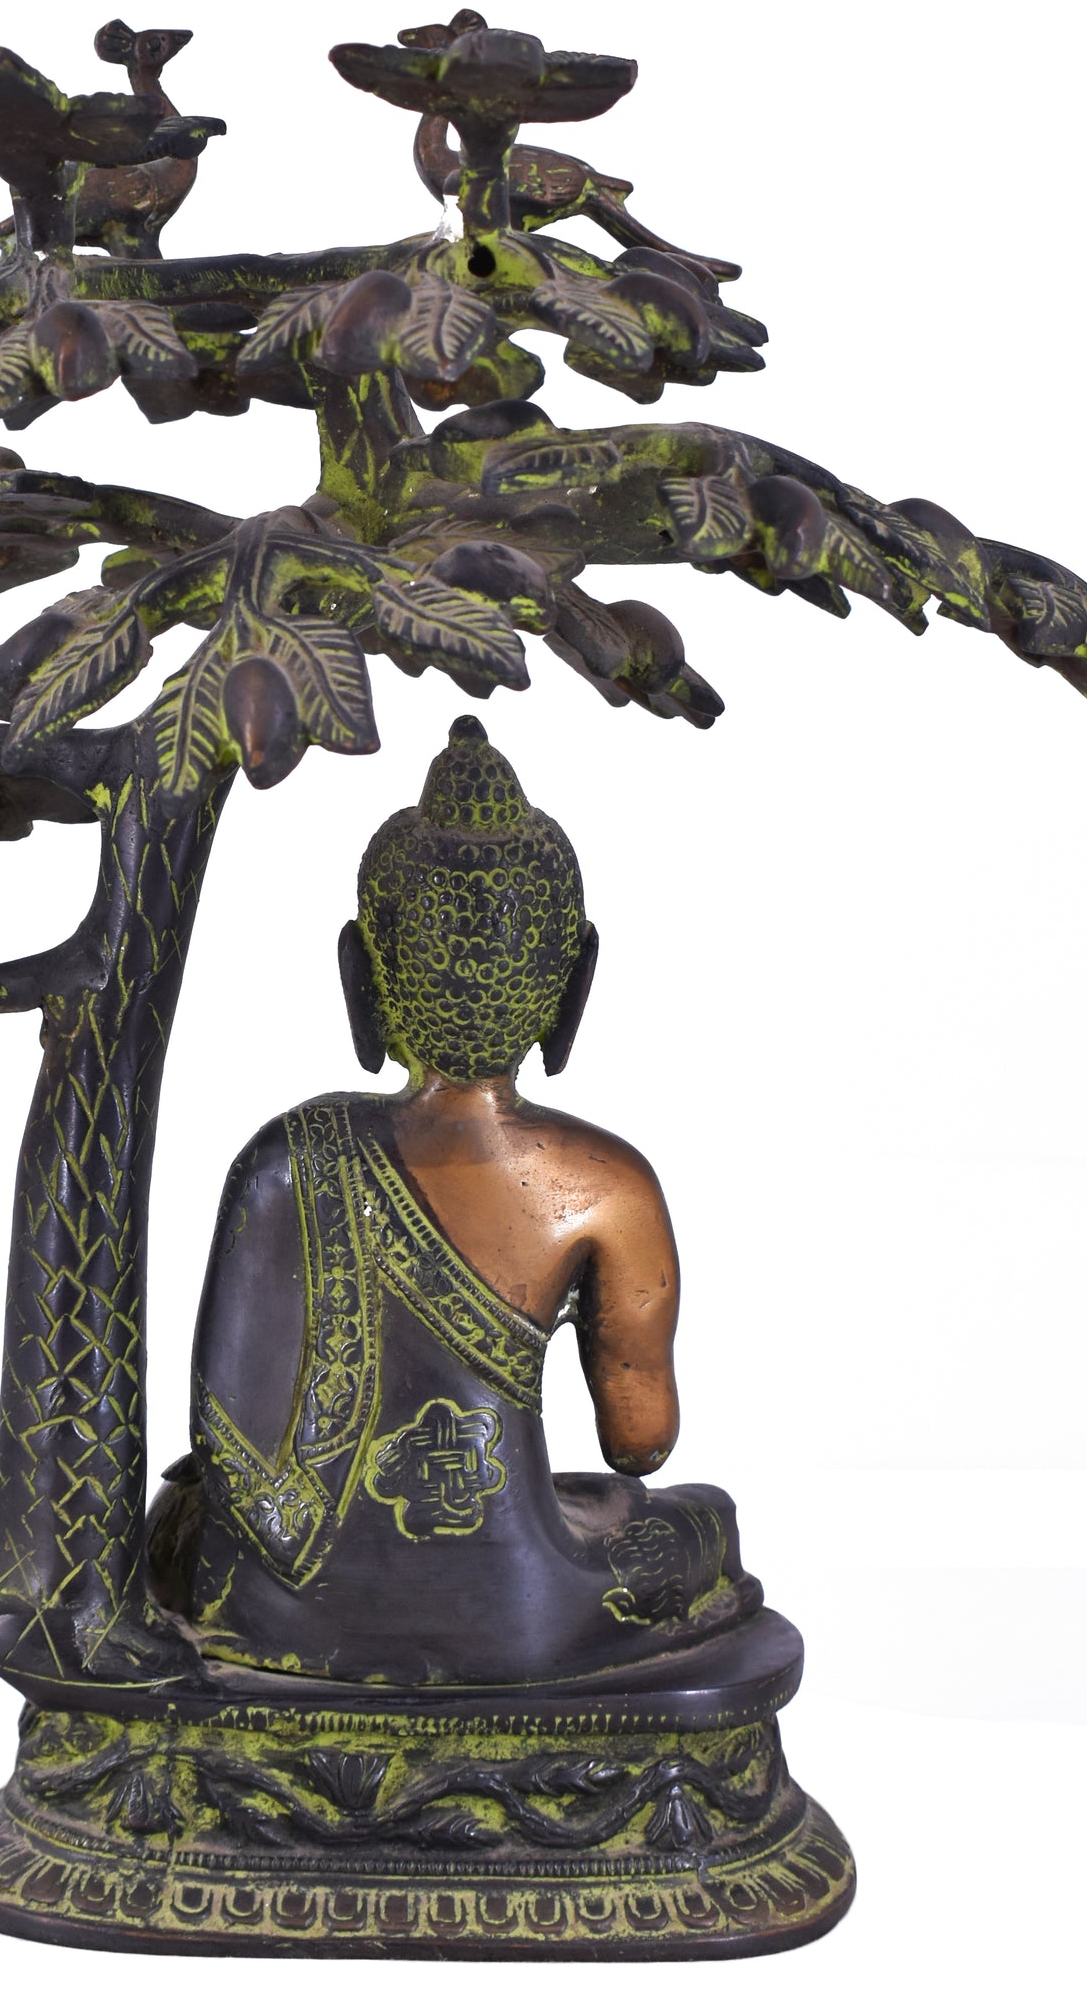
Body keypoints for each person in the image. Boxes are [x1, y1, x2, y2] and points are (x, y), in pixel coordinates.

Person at [148, 716, 758, 1685]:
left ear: (360, 972)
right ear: (573, 980)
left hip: (277, 1613)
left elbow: (221, 1444)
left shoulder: (282, 1159)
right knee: (692, 1520)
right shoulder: (605, 1186)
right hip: (515, 1612)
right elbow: (641, 1441)